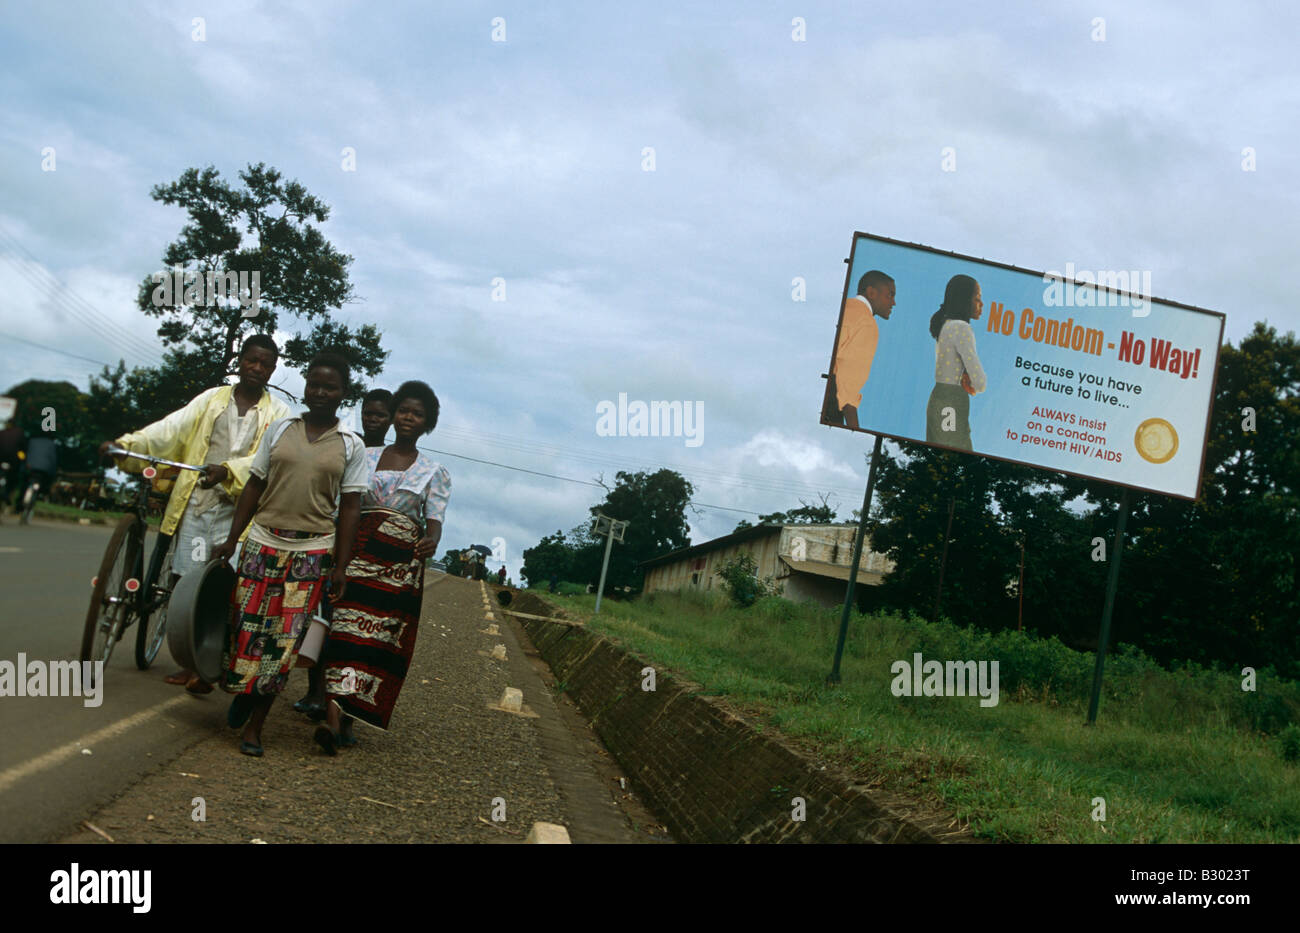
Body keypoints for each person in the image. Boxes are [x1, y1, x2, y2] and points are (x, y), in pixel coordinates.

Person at [99, 334, 290, 692]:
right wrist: (126, 446)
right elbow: (171, 428)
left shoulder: (278, 414)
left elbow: (272, 458)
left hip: (239, 513)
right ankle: (188, 660)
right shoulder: (212, 399)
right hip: (196, 503)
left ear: (273, 369)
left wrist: (229, 470)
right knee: (184, 581)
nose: (257, 368)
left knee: (221, 587)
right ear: (241, 361)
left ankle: (208, 666)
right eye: (252, 360)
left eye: (265, 364)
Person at [211, 352, 368, 757]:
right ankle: (246, 693)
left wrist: (341, 565)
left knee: (282, 642)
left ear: (342, 393)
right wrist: (232, 538)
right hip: (262, 542)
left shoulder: (351, 445)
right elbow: (253, 485)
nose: (319, 392)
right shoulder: (281, 429)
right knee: (245, 631)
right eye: (313, 383)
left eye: (329, 387)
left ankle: (255, 728)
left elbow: (350, 507)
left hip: (311, 553)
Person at [316, 379, 449, 753]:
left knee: (375, 641)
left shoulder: (434, 471)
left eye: (417, 414)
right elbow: (349, 503)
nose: (408, 417)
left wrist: (433, 539)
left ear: (427, 423)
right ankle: (331, 715)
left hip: (399, 567)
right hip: (356, 553)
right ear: (392, 416)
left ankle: (346, 718)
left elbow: (434, 517)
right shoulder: (365, 455)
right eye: (404, 410)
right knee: (343, 632)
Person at [292, 386, 394, 719]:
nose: (373, 419)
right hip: (330, 533)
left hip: (367, 548)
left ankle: (341, 701)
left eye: (380, 414)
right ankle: (314, 691)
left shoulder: (392, 457)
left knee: (349, 625)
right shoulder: (349, 443)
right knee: (320, 616)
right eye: (369, 412)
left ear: (391, 419)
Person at [825, 271, 896, 430]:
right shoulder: (867, 324)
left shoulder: (845, 307)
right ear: (871, 292)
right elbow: (848, 384)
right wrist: (854, 430)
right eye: (890, 295)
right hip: (833, 400)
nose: (893, 303)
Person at [925, 274, 986, 452]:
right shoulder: (961, 328)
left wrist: (965, 376)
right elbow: (980, 382)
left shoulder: (946, 324)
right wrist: (971, 382)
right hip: (951, 401)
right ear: (964, 300)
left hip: (938, 397)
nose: (981, 304)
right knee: (957, 456)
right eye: (977, 299)